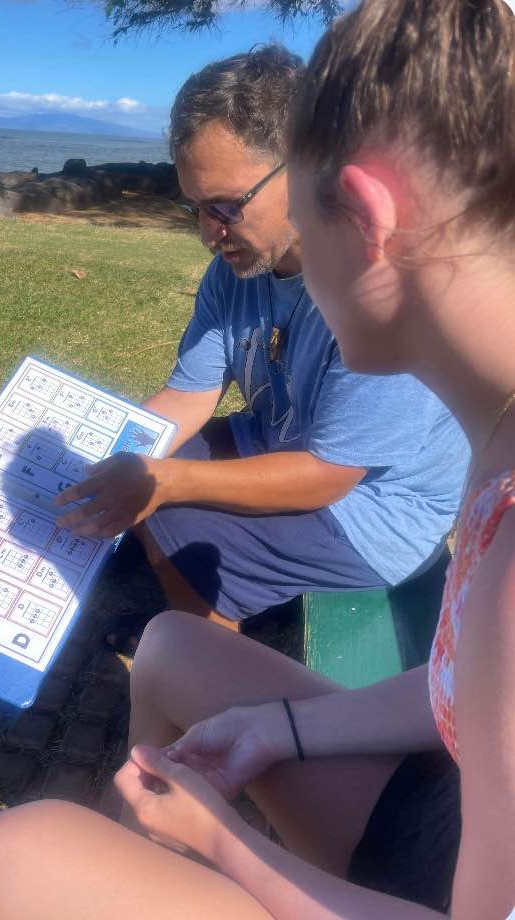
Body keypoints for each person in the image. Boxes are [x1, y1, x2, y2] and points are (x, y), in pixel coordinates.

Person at [0, 1, 515, 917]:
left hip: (429, 883)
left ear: (361, 213)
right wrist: (275, 728)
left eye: (228, 206)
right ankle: (130, 854)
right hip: (430, 805)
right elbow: (467, 696)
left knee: (14, 853)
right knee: (170, 643)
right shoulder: (498, 444)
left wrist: (221, 840)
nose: (213, 233)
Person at [55, 46, 469, 628]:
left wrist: (161, 485)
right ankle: (189, 584)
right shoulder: (236, 266)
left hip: (374, 515)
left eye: (225, 207)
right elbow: (189, 396)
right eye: (194, 208)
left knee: (171, 510)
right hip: (276, 443)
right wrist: (107, 457)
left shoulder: (384, 290)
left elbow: (329, 475)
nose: (207, 234)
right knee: (148, 463)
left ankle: (207, 661)